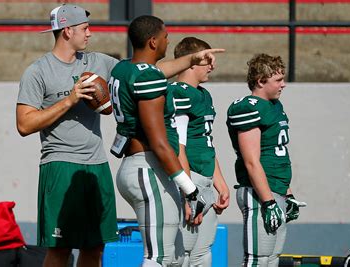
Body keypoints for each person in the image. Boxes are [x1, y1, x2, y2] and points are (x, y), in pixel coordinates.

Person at [109, 15, 224, 266]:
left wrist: (193, 58)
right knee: (158, 257)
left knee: (170, 256)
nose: (168, 40)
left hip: (136, 165)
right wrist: (189, 188)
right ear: (153, 42)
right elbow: (160, 142)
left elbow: (158, 72)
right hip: (148, 168)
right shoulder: (148, 78)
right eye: (165, 36)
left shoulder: (124, 68)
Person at [16, 4, 119, 267]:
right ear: (67, 31)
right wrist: (70, 100)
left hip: (97, 166)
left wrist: (188, 62)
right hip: (60, 165)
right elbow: (24, 125)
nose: (90, 34)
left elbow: (139, 73)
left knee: (95, 248)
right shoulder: (37, 71)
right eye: (84, 29)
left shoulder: (97, 62)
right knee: (60, 250)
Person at [226, 53, 306, 266]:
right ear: (261, 81)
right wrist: (268, 202)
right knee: (257, 259)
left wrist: (287, 194)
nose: (284, 85)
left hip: (275, 188)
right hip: (259, 193)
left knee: (272, 259)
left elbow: (278, 154)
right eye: (278, 80)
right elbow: (251, 160)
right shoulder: (249, 106)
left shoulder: (275, 106)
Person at [169, 37, 230, 266]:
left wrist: (220, 181)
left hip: (204, 180)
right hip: (189, 179)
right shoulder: (178, 92)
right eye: (207, 60)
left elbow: (206, 142)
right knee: (182, 254)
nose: (212, 66)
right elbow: (178, 147)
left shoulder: (203, 94)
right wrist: (187, 192)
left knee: (202, 253)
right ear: (191, 62)